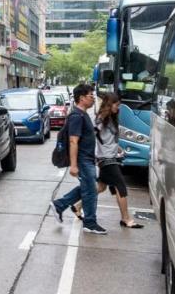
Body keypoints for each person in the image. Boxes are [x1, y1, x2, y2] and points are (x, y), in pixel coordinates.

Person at [52, 83, 106, 235]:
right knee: (90, 191)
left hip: (87, 159)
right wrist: (74, 165)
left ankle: (59, 205)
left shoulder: (82, 114)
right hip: (82, 160)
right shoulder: (76, 116)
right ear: (82, 98)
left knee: (88, 188)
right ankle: (90, 222)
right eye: (91, 96)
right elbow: (73, 141)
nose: (93, 98)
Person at [91, 92, 137, 228]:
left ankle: (77, 206)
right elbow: (93, 135)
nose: (119, 107)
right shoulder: (102, 119)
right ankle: (126, 218)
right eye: (117, 105)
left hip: (110, 157)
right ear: (110, 104)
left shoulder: (111, 118)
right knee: (121, 187)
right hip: (106, 159)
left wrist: (118, 149)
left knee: (101, 187)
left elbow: (107, 138)